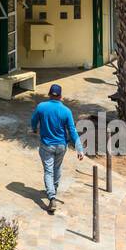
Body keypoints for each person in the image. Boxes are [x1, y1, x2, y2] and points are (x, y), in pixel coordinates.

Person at [29, 83, 85, 214]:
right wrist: (79, 149)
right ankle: (53, 189)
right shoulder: (66, 111)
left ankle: (51, 196)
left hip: (46, 145)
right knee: (57, 168)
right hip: (61, 146)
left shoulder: (41, 107)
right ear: (61, 96)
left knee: (48, 171)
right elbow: (72, 131)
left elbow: (33, 120)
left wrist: (33, 129)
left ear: (49, 94)